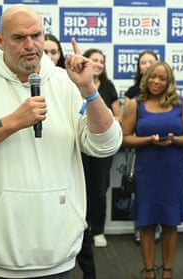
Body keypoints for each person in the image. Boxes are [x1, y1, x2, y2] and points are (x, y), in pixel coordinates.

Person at [0, 4, 122, 278]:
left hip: (56, 256)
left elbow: (106, 144)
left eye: (37, 35)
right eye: (19, 38)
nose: (30, 45)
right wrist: (12, 123)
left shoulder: (65, 81)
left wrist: (90, 91)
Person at [121, 61, 183, 279]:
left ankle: (167, 272)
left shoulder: (180, 104)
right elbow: (124, 138)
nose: (156, 81)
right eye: (153, 76)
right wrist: (147, 140)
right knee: (146, 222)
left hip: (173, 171)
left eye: (162, 78)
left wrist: (174, 139)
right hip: (147, 172)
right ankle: (149, 271)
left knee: (170, 223)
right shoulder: (136, 104)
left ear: (169, 82)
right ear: (147, 78)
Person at [44, 34, 96, 279]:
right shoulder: (25, 85)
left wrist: (86, 87)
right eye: (44, 51)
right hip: (40, 171)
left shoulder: (72, 82)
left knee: (77, 222)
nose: (48, 57)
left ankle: (89, 272)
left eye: (53, 52)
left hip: (71, 165)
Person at [81, 48, 121, 248]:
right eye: (94, 60)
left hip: (102, 146)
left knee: (99, 189)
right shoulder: (75, 82)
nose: (98, 64)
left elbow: (118, 115)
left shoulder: (107, 86)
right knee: (80, 187)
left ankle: (97, 230)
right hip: (79, 145)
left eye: (101, 61)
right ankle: (81, 229)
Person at [123, 50, 161, 245]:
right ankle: (139, 229)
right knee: (140, 191)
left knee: (159, 191)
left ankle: (159, 228)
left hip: (162, 150)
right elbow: (127, 125)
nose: (146, 66)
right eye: (143, 63)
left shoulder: (166, 93)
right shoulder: (132, 92)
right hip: (138, 149)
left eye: (151, 62)